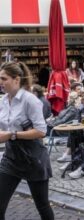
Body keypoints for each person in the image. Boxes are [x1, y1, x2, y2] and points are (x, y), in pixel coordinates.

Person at [0, 62, 54, 219]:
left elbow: (41, 131)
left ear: (16, 79)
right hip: (11, 157)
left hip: (33, 157)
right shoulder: (3, 101)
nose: (0, 82)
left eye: (4, 79)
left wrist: (12, 135)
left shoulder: (30, 100)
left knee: (42, 205)